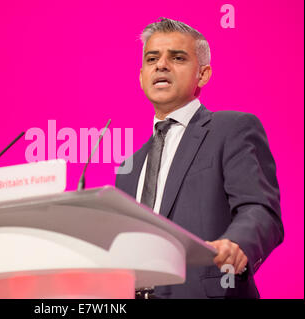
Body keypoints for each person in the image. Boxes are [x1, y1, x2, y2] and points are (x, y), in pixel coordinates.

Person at [115, 18, 284, 299]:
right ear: (141, 75)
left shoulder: (231, 129)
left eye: (177, 57)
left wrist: (237, 244)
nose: (161, 65)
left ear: (203, 75)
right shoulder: (128, 168)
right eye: (152, 58)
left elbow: (260, 209)